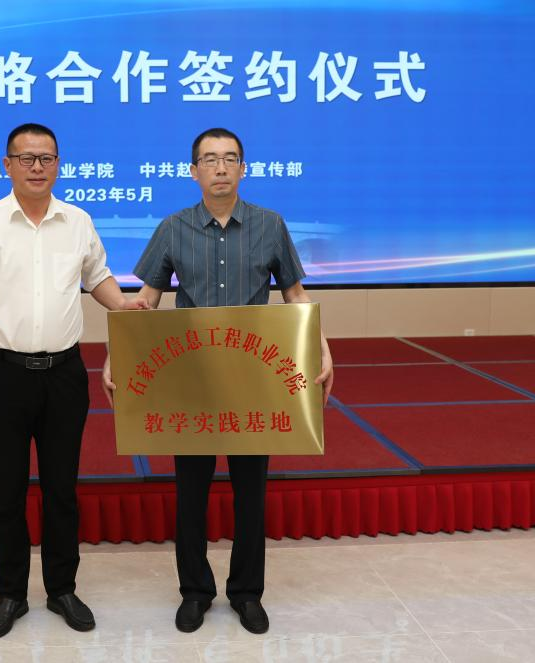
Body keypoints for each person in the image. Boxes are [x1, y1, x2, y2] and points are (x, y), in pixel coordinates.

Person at [103, 127, 334, 635]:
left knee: (252, 494)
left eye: (230, 158)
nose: (221, 167)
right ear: (194, 171)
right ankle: (195, 592)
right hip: (192, 381)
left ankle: (247, 593)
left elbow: (295, 296)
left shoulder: (270, 225)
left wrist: (322, 346)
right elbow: (146, 303)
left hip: (255, 381)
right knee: (191, 494)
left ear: (243, 168)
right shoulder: (173, 227)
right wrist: (115, 354)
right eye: (210, 159)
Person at [0, 123, 146, 639]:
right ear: (7, 165)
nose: (37, 167)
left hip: (64, 375)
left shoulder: (77, 221)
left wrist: (125, 306)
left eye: (47, 158)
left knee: (62, 489)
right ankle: (10, 594)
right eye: (26, 158)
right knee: (7, 491)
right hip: (2, 375)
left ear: (59, 164)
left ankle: (61, 589)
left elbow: (98, 278)